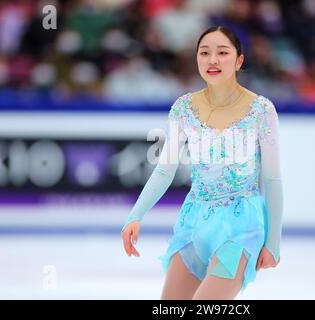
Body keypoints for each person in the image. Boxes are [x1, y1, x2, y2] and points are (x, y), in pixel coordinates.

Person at [121, 26, 283, 300]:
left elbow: (272, 179)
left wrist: (274, 243)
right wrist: (135, 215)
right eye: (205, 53)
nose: (212, 60)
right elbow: (164, 169)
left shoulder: (261, 110)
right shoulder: (183, 108)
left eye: (222, 53)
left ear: (239, 60)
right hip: (193, 223)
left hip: (240, 226)